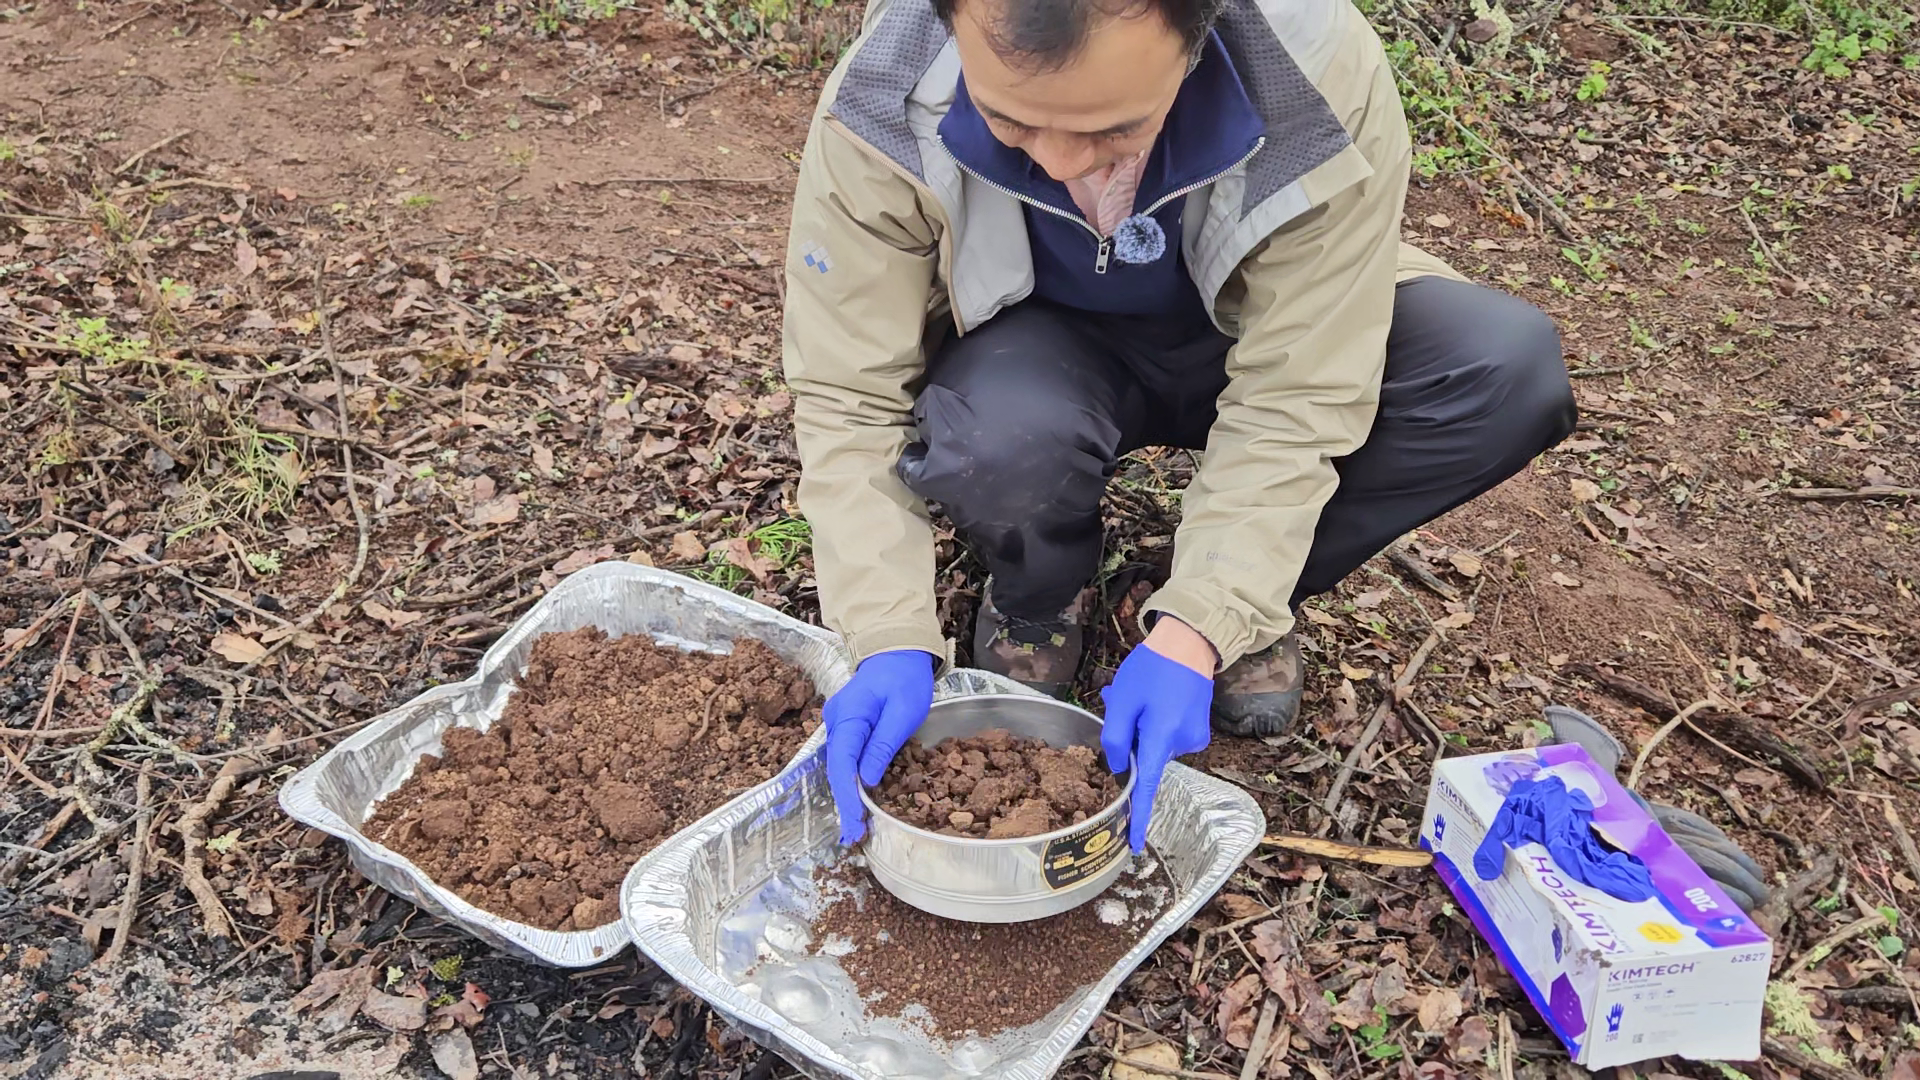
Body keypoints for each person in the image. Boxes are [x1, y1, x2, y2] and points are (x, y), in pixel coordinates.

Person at [781, 0, 1577, 853]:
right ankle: (1039, 593)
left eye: (1114, 129)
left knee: (1502, 369)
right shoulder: (887, 91)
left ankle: (1224, 604)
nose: (1057, 162)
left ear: (1201, 32)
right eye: (1010, 120)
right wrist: (885, 632)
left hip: (1255, 319)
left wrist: (1203, 618)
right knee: (995, 445)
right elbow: (848, 392)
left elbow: (1301, 392)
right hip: (1042, 340)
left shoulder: (1313, 69)